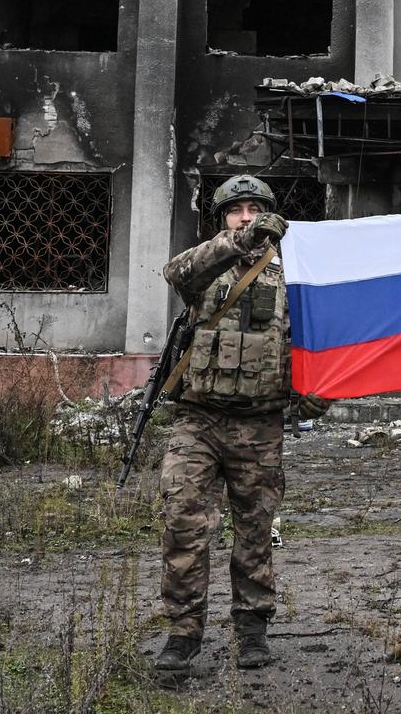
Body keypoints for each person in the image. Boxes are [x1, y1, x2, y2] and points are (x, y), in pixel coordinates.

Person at [151, 174, 329, 683]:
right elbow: (175, 271)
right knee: (183, 521)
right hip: (198, 421)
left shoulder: (295, 274)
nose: (246, 216)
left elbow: (323, 338)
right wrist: (237, 244)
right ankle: (183, 633)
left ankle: (252, 628)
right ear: (222, 218)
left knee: (254, 529)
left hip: (259, 425)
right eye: (236, 210)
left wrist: (321, 389)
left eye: (255, 209)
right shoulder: (207, 267)